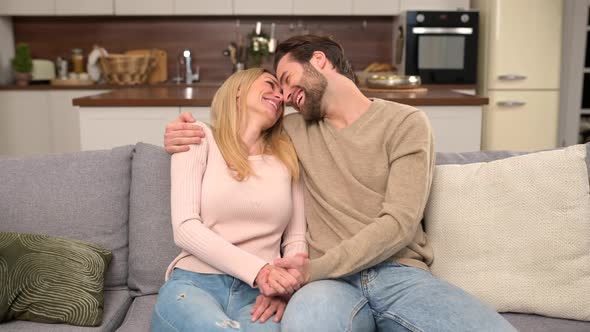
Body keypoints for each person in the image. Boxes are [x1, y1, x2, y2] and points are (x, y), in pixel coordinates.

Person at [163, 35, 517, 332]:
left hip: (397, 275)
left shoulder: (406, 123)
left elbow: (399, 222)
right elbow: (237, 135)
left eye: (286, 79)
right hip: (326, 286)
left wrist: (307, 271)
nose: (284, 95)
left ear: (319, 60)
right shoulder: (289, 132)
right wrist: (184, 135)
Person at [152, 68, 308, 332]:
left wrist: (285, 286)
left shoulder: (287, 157)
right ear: (238, 90)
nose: (279, 96)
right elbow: (185, 228)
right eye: (270, 84)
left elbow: (295, 240)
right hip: (196, 282)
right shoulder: (199, 137)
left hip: (260, 297)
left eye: (281, 93)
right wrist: (260, 272)